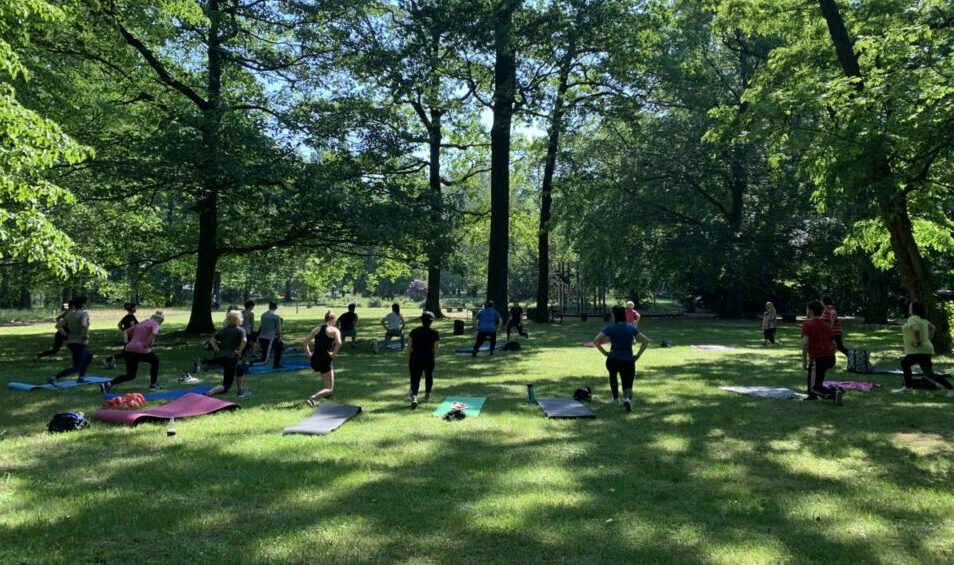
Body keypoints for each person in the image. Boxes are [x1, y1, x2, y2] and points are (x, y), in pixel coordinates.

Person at [592, 305, 650, 412]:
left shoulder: (609, 328)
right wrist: (637, 355)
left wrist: (605, 353)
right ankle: (627, 398)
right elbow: (645, 341)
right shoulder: (631, 328)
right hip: (628, 360)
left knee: (613, 376)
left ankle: (615, 399)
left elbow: (595, 341)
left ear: (614, 315)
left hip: (613, 359)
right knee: (627, 382)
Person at [893, 301, 954, 396]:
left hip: (919, 349)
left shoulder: (912, 318)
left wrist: (918, 342)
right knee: (929, 374)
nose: (909, 307)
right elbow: (933, 328)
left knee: (905, 363)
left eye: (910, 306)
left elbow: (916, 330)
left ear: (913, 309)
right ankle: (951, 388)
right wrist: (928, 339)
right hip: (926, 349)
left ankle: (908, 388)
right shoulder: (923, 320)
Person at [100, 311, 165, 393]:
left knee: (130, 375)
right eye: (161, 323)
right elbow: (154, 333)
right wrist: (148, 344)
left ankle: (107, 384)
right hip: (141, 349)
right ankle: (153, 385)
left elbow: (125, 332)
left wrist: (126, 344)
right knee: (155, 361)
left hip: (129, 349)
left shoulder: (141, 323)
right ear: (158, 320)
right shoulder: (155, 324)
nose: (160, 324)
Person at [802, 300, 844, 405]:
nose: (806, 311)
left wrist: (804, 360)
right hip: (830, 358)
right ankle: (813, 396)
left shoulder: (807, 324)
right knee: (817, 379)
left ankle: (834, 392)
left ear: (811, 311)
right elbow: (834, 344)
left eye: (807, 309)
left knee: (813, 386)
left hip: (818, 358)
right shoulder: (826, 325)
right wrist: (831, 354)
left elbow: (805, 343)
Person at [205, 310, 250, 398]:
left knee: (239, 369)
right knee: (227, 385)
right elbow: (244, 340)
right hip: (232, 356)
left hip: (221, 357)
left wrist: (216, 349)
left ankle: (240, 391)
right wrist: (240, 351)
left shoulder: (222, 330)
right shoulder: (240, 330)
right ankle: (210, 392)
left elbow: (212, 340)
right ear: (239, 320)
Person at [49, 296, 93, 385]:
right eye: (86, 303)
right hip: (80, 342)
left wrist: (66, 335)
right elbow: (84, 324)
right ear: (83, 304)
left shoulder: (69, 314)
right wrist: (85, 335)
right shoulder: (84, 313)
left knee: (89, 356)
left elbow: (58, 326)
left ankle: (81, 377)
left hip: (71, 342)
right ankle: (54, 377)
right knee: (77, 366)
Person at [304, 310, 342, 406]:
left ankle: (327, 396)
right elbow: (339, 343)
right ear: (332, 319)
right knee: (330, 388)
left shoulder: (317, 329)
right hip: (325, 359)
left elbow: (304, 343)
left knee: (328, 377)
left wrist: (309, 355)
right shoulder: (334, 330)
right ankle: (313, 398)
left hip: (315, 359)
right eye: (335, 321)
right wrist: (333, 354)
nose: (335, 323)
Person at [407, 311, 440, 409]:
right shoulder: (435, 333)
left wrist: (408, 360)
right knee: (429, 376)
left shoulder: (414, 331)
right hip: (428, 358)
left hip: (415, 358)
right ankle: (428, 395)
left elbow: (409, 347)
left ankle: (414, 396)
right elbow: (436, 348)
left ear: (421, 320)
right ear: (431, 321)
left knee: (414, 379)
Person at [104, 302, 138, 369]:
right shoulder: (131, 317)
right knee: (125, 353)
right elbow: (132, 326)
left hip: (127, 336)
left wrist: (124, 331)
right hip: (130, 337)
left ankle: (132, 361)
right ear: (132, 309)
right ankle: (107, 360)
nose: (136, 309)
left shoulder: (126, 316)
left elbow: (119, 325)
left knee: (129, 352)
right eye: (135, 307)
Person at [255, 302, 284, 368]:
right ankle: (248, 364)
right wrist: (279, 338)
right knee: (264, 361)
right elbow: (279, 330)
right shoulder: (276, 316)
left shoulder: (263, 315)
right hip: (269, 339)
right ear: (276, 307)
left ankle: (277, 364)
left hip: (262, 338)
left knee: (279, 346)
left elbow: (263, 326)